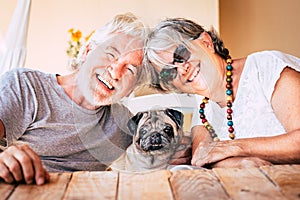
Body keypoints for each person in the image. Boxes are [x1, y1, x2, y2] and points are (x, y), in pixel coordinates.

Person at [0, 13, 150, 185]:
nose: (116, 73)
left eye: (130, 70)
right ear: (87, 51)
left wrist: (188, 136)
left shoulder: (124, 123)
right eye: (110, 54)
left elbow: (171, 152)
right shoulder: (25, 86)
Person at [145, 17, 300, 168]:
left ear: (206, 43)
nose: (182, 70)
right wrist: (236, 163)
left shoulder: (266, 68)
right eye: (168, 72)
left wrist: (235, 147)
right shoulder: (203, 104)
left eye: (181, 55)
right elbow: (202, 156)